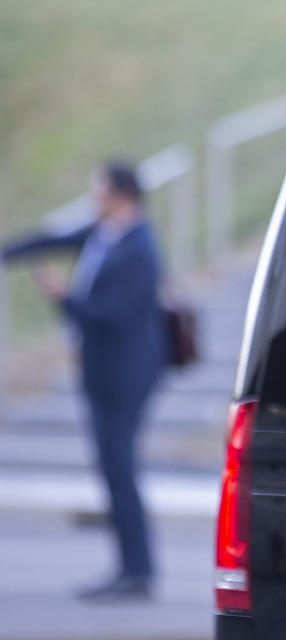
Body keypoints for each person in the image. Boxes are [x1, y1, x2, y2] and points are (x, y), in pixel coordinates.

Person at [1, 161, 167, 601]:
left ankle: (137, 571)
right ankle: (130, 568)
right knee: (113, 469)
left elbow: (111, 318)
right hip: (102, 373)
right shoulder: (104, 233)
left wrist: (63, 298)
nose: (93, 200)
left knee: (120, 468)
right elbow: (53, 239)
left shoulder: (139, 248)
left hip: (125, 377)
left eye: (99, 192)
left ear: (121, 196)